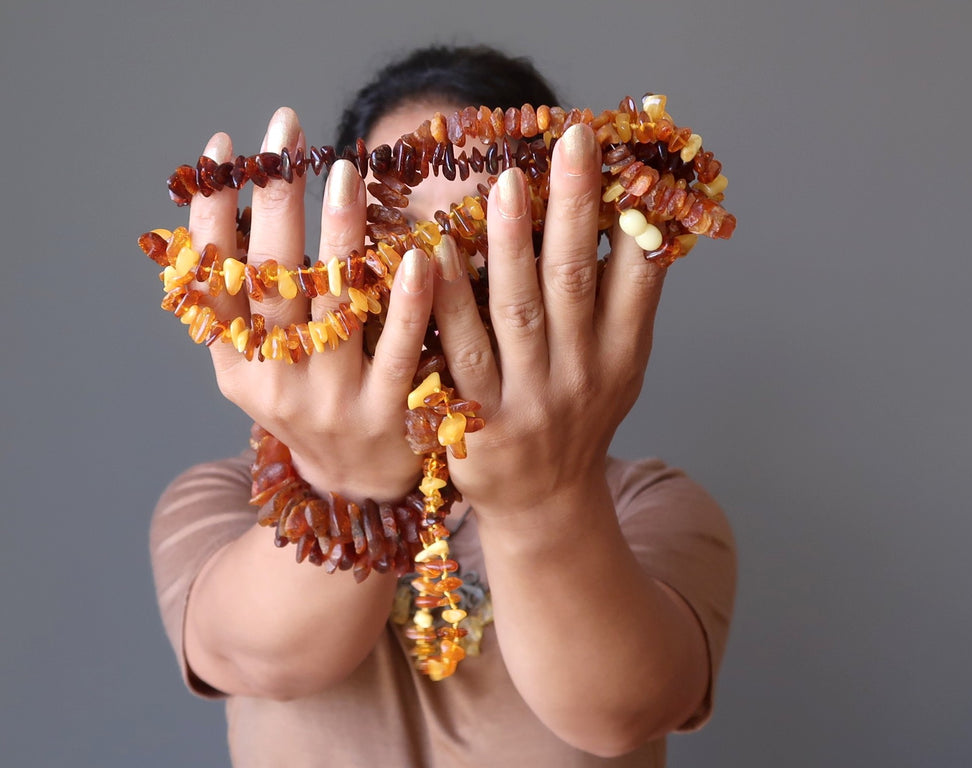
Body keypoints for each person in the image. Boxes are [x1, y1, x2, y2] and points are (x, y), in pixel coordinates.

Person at [150, 44, 736, 767]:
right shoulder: (223, 500)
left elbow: (624, 711)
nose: (434, 278)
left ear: (573, 252)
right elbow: (263, 661)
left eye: (492, 231)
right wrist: (345, 484)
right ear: (331, 255)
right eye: (395, 235)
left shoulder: (652, 506)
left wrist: (544, 500)